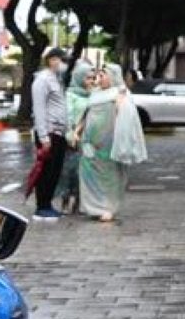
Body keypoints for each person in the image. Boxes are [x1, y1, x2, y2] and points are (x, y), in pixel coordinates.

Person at [70, 61, 147, 222]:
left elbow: (127, 117)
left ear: (112, 76)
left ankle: (108, 208)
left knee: (110, 176)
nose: (99, 78)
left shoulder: (120, 93)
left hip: (109, 144)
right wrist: (77, 131)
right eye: (99, 75)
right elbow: (86, 114)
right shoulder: (96, 92)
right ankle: (92, 207)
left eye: (103, 75)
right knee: (88, 173)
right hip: (89, 143)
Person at [26, 47, 69, 221]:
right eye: (62, 59)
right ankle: (41, 207)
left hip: (58, 132)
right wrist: (43, 136)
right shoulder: (42, 80)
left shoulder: (56, 79)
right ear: (52, 60)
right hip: (49, 132)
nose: (64, 63)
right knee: (46, 172)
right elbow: (39, 109)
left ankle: (48, 204)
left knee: (55, 171)